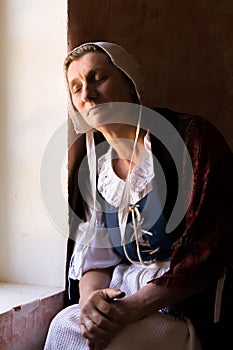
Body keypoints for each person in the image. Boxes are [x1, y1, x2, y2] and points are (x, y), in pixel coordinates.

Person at [43, 42, 233, 350]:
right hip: (124, 290)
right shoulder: (96, 168)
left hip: (183, 301)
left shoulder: (190, 141)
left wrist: (133, 309)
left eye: (98, 78)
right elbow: (97, 258)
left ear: (130, 85)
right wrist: (93, 305)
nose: (87, 94)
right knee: (64, 327)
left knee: (118, 344)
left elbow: (211, 247)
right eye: (76, 87)